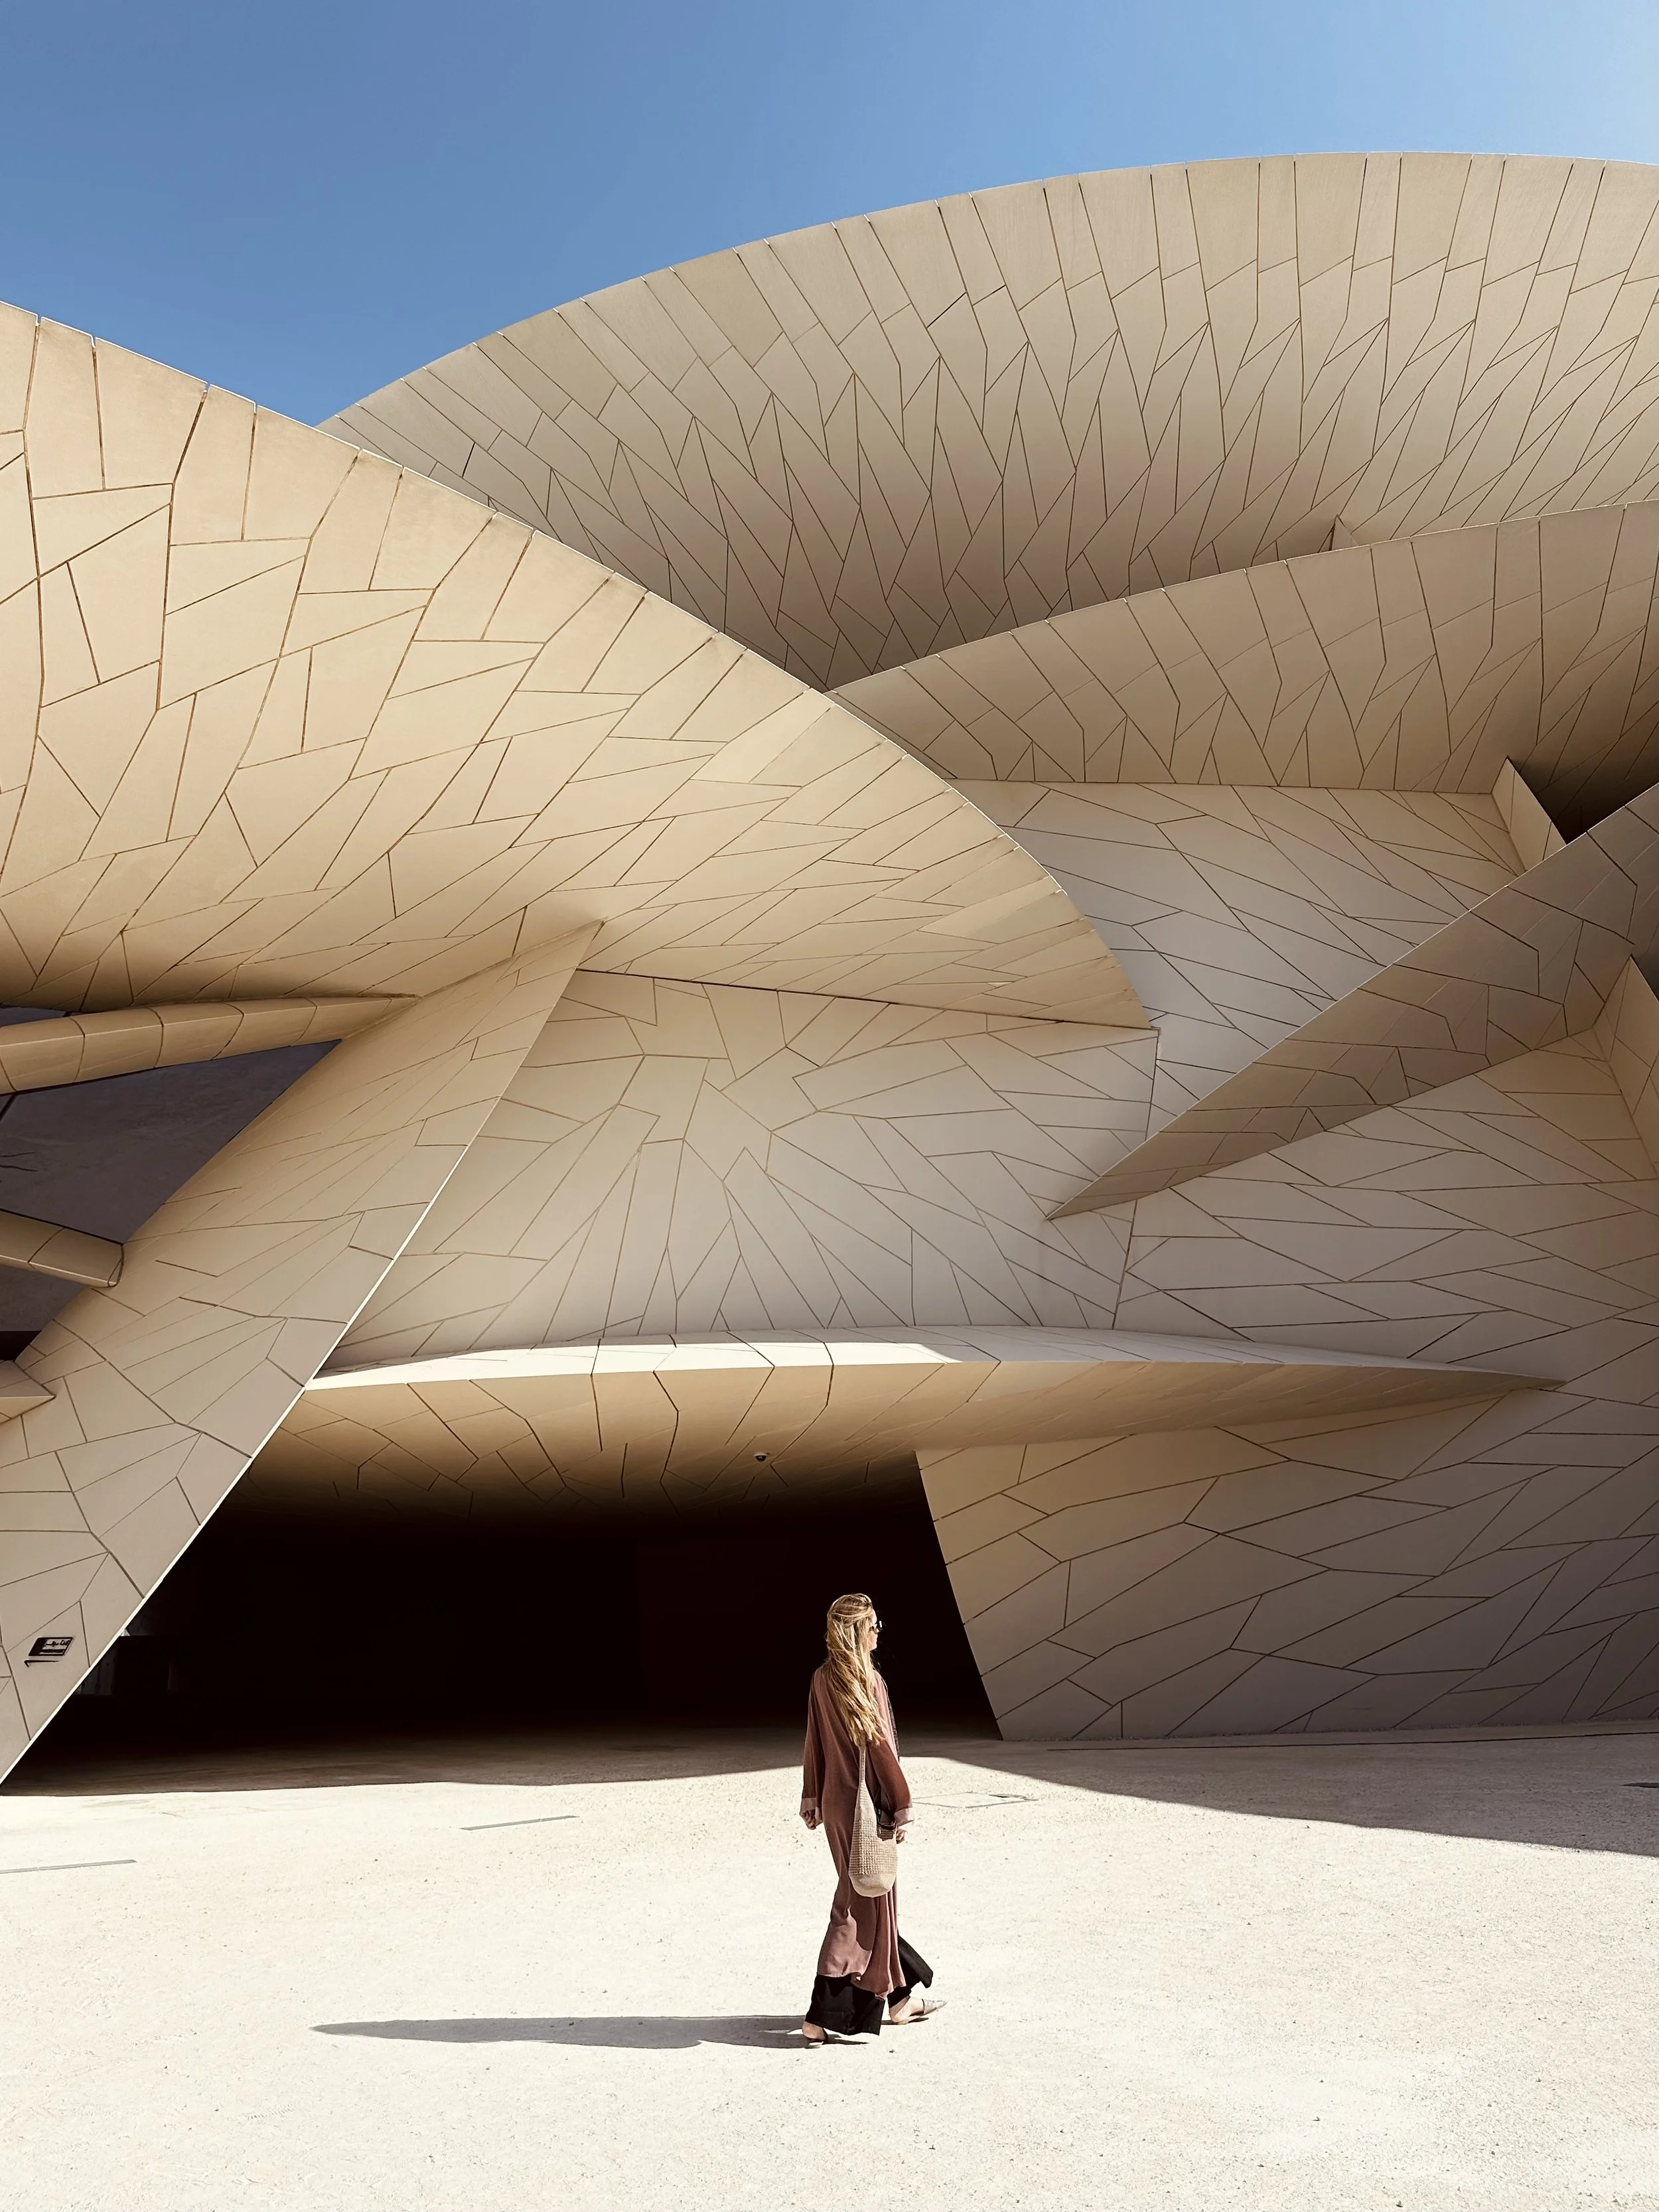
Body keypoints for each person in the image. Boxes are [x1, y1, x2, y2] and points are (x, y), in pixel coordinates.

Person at [798, 1592, 942, 2041]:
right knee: (859, 1902)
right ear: (856, 1631)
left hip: (839, 1806)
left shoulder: (822, 1679)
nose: (879, 1631)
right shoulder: (868, 1681)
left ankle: (899, 1999)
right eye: (874, 1624)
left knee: (874, 1896)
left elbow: (813, 1742)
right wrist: (900, 1804)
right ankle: (821, 2013)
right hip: (869, 1807)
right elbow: (881, 1749)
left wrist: (812, 1798)